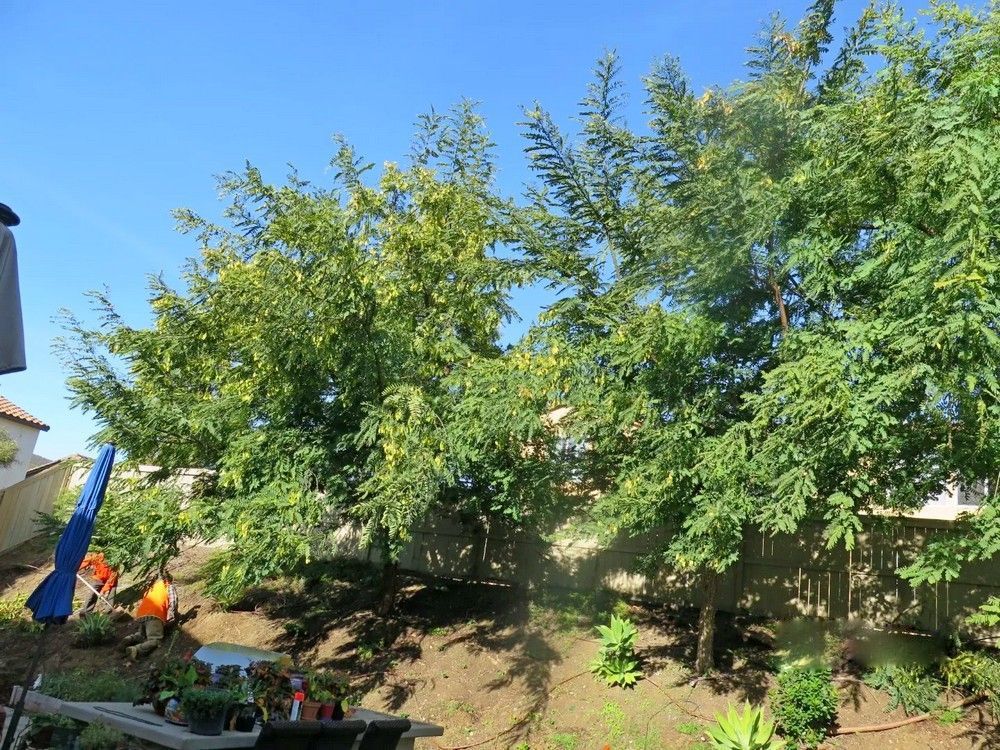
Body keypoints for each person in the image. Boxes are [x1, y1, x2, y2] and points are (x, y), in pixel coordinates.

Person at [123, 571, 178, 660]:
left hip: (141, 614)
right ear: (169, 580)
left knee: (141, 635)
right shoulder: (168, 586)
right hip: (155, 614)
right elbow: (173, 601)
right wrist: (172, 615)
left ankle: (129, 639)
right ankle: (135, 650)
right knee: (155, 640)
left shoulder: (152, 588)